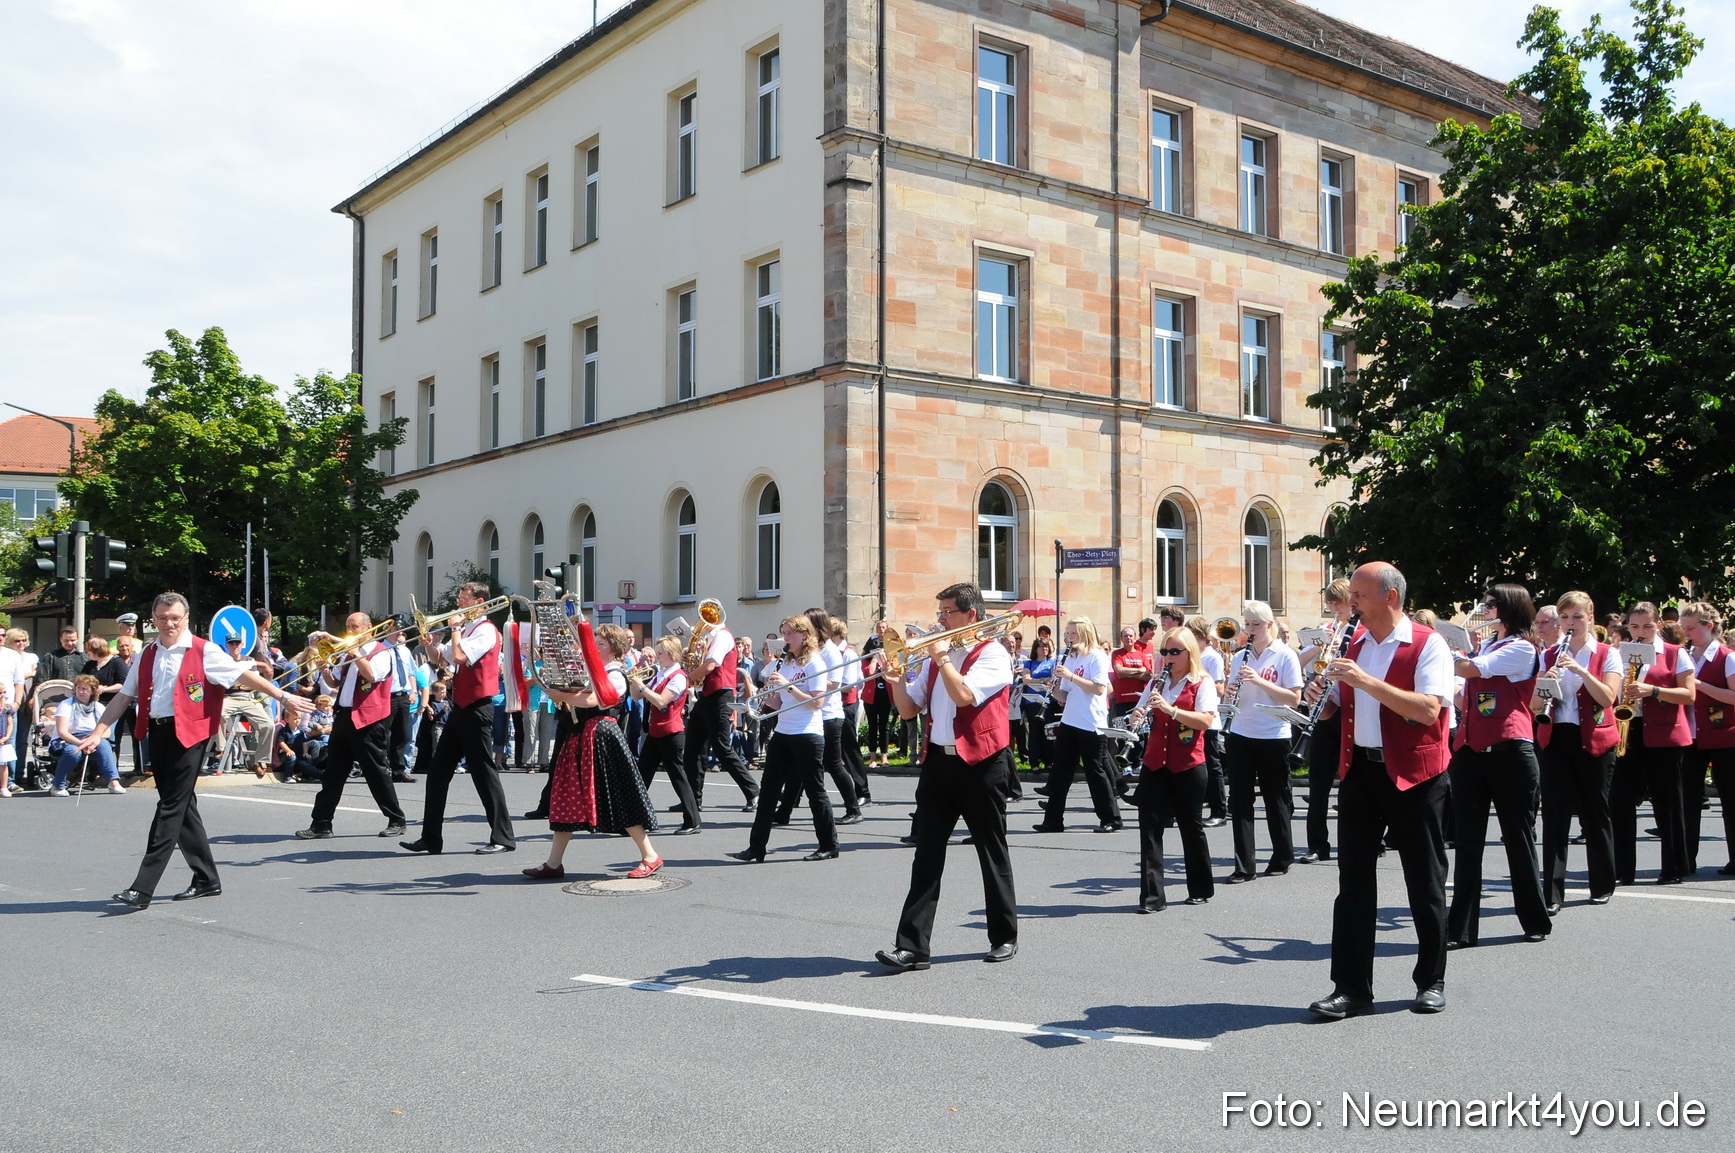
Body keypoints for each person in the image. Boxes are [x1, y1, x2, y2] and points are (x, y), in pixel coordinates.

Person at [78, 592, 310, 908]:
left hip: (191, 734)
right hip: (158, 732)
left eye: (175, 618)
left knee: (170, 806)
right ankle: (206, 878)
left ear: (185, 618)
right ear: (153, 619)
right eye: (162, 618)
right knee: (183, 806)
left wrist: (282, 696)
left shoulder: (204, 650)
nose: (169, 623)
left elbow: (243, 675)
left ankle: (142, 888)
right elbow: (124, 697)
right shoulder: (147, 653)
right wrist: (98, 732)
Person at [1305, 562, 1455, 1019]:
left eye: (1359, 595)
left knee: (1424, 881)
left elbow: (1428, 710)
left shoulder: (1428, 644)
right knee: (1352, 884)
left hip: (1415, 775)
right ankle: (1351, 988)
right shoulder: (1354, 642)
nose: (1351, 603)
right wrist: (1320, 697)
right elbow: (1339, 707)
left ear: (1390, 597)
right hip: (1361, 773)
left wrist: (1364, 681)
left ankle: (1430, 980)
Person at [874, 583, 1017, 969]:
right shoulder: (937, 658)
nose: (939, 621)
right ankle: (912, 947)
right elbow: (908, 710)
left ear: (970, 615)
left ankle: (1004, 936)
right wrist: (895, 678)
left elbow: (964, 696)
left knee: (991, 851)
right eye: (938, 613)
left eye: (947, 612)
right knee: (926, 854)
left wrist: (941, 657)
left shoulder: (993, 654)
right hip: (939, 763)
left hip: (982, 764)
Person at [1444, 584, 1551, 947]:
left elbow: (1470, 669)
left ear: (1508, 608)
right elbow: (1466, 697)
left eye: (1491, 605)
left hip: (1510, 752)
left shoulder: (1521, 648)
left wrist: (1441, 649)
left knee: (1518, 840)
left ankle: (1534, 920)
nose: (1485, 610)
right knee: (1467, 843)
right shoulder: (1488, 645)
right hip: (1471, 752)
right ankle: (1460, 929)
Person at [523, 618, 664, 879]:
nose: (594, 646)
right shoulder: (593, 670)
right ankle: (554, 862)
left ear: (613, 647)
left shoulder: (616, 674)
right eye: (594, 641)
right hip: (581, 736)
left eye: (600, 643)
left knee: (620, 796)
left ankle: (650, 855)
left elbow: (593, 700)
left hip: (602, 737)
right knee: (567, 797)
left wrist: (562, 695)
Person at [402, 581, 517, 855]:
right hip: (461, 708)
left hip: (478, 708)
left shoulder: (486, 630)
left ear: (479, 602)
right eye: (459, 599)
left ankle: (503, 837)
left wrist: (454, 629)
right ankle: (431, 838)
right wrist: (430, 644)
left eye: (464, 600)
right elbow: (440, 659)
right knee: (437, 773)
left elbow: (459, 656)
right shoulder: (466, 629)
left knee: (484, 774)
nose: (458, 604)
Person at [1532, 591, 1620, 911]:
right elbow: (1535, 705)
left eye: (1577, 617)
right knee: (1555, 816)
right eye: (1566, 617)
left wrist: (1581, 671)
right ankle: (1552, 894)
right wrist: (1546, 680)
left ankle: (1602, 884)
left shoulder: (1608, 654)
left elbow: (1608, 698)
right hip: (1557, 737)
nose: (1571, 623)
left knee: (1595, 813)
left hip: (1594, 739)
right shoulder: (1549, 654)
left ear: (1590, 619)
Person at [730, 615, 840, 863]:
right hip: (783, 732)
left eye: (789, 633)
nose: (785, 638)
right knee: (768, 791)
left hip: (807, 734)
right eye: (784, 632)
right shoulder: (785, 662)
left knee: (815, 791)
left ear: (804, 634)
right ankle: (756, 847)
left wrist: (788, 686)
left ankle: (829, 845)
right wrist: (769, 693)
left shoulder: (815, 662)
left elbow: (817, 702)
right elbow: (778, 704)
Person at [294, 613, 407, 840]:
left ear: (368, 628)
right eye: (348, 627)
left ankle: (396, 819)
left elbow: (372, 675)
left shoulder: (381, 652)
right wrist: (324, 669)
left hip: (368, 719)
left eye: (354, 627)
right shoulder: (348, 652)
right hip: (344, 716)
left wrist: (356, 653)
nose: (350, 631)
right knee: (333, 774)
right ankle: (321, 824)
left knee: (376, 772)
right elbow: (334, 682)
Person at [1128, 627, 1218, 911]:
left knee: (1190, 828)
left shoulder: (1202, 683)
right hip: (1155, 763)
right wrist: (1137, 715)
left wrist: (1171, 710)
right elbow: (1139, 711)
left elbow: (1205, 721)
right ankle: (1152, 897)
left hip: (1188, 765)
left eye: (1174, 652)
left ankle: (1200, 887)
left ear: (1189, 653)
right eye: (1165, 651)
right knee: (1150, 829)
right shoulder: (1158, 682)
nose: (1168, 657)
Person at [1612, 602, 1696, 884]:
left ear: (1658, 625)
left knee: (1667, 802)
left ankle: (1673, 868)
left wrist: (1653, 690)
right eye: (1635, 626)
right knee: (1621, 800)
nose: (1640, 632)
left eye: (1647, 626)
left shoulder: (1675, 653)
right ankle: (1623, 869)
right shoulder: (1620, 653)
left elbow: (1689, 695)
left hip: (1664, 734)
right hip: (1629, 728)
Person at [1221, 600, 1304, 882]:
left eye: (1255, 624)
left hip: (1273, 735)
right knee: (1240, 801)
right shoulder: (1239, 657)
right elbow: (1231, 695)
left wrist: (1258, 681)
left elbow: (1294, 698)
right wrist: (1229, 691)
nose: (1250, 629)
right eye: (1247, 624)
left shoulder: (1285, 655)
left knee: (1275, 799)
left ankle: (1282, 856)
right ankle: (1244, 866)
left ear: (1269, 625)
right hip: (1241, 733)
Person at [1033, 618, 1121, 833]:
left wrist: (1070, 676)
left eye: (1072, 633)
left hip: (1091, 721)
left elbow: (1099, 689)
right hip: (1070, 719)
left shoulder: (1097, 655)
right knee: (1060, 772)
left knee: (1095, 771)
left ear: (1083, 633)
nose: (1068, 637)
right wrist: (1052, 687)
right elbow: (1063, 697)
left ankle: (1111, 818)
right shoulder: (1070, 658)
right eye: (1067, 633)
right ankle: (1053, 820)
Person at [680, 608, 761, 814]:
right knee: (693, 749)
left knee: (723, 748)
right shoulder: (709, 638)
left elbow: (710, 666)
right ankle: (692, 800)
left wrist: (685, 677)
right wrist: (690, 660)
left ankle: (753, 791)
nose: (702, 621)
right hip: (706, 696)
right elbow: (704, 665)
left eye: (706, 618)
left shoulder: (722, 636)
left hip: (720, 696)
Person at [1297, 580, 1353, 863]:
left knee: (1354, 780)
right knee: (1318, 780)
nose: (1333, 609)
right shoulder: (1327, 629)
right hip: (1325, 707)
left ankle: (1363, 839)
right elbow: (1302, 662)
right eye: (1330, 603)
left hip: (1352, 709)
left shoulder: (1362, 630)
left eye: (1337, 603)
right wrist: (1319, 645)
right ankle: (1317, 844)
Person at [1680, 604, 1735, 875]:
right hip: (1691, 735)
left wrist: (1700, 686)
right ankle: (1685, 860)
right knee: (1687, 800)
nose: (1686, 633)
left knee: (1731, 800)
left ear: (1709, 626)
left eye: (1691, 628)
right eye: (1684, 628)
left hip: (1725, 736)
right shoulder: (1686, 655)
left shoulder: (1727, 657)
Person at [629, 636, 701, 833]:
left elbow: (661, 701)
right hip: (655, 731)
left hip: (671, 733)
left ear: (671, 654)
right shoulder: (660, 674)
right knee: (641, 776)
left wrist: (641, 685)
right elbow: (636, 696)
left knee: (678, 778)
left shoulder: (678, 676)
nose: (657, 657)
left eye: (660, 653)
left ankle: (692, 821)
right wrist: (634, 682)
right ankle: (635, 820)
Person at [1186, 615, 1229, 828]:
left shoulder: (1212, 658)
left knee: (1213, 766)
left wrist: (1199, 680)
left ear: (1200, 636)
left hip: (1208, 720)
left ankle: (1219, 811)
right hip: (1191, 717)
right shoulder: (1191, 656)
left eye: (1192, 634)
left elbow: (1220, 689)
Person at [51, 674, 123, 795]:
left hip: (91, 739)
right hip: (69, 739)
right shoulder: (66, 705)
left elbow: (107, 732)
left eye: (85, 689)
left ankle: (113, 782)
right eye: (78, 688)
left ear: (92, 691)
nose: (81, 691)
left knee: (104, 745)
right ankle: (57, 786)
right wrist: (81, 743)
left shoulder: (98, 707)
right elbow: (62, 732)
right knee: (73, 752)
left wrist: (91, 740)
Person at [383, 618, 419, 784]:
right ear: (388, 630)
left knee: (401, 734)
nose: (400, 632)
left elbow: (411, 672)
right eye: (396, 629)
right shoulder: (380, 649)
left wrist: (413, 690)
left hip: (403, 695)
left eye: (401, 630)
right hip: (387, 696)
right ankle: (383, 770)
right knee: (383, 734)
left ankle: (398, 770)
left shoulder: (404, 650)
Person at [1017, 636, 1057, 774]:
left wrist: (1039, 680)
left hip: (1048, 701)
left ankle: (1048, 761)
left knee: (1047, 732)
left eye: (1046, 646)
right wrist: (1043, 680)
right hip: (1032, 701)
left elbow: (1053, 679)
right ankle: (1034, 761)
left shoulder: (1052, 662)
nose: (1044, 649)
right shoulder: (1029, 663)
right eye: (1041, 646)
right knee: (1034, 732)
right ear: (1035, 649)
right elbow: (1026, 680)